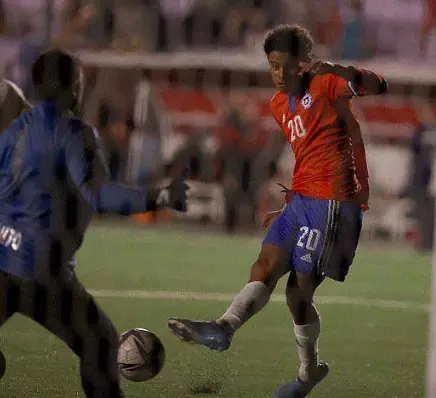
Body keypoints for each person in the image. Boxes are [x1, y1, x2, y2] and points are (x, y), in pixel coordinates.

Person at [168, 24, 387, 397]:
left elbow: (377, 85)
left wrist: (339, 70)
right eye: (273, 66)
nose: (280, 75)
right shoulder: (276, 104)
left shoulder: (326, 84)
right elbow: (307, 154)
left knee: (297, 294)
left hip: (333, 202)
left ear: (305, 63)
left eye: (287, 66)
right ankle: (223, 327)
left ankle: (307, 375)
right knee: (264, 265)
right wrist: (288, 205)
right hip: (301, 201)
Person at [0, 49, 188, 398]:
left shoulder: (13, 132)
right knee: (100, 347)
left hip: (2, 261)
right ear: (75, 87)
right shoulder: (74, 133)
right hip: (42, 274)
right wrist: (159, 197)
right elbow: (100, 196)